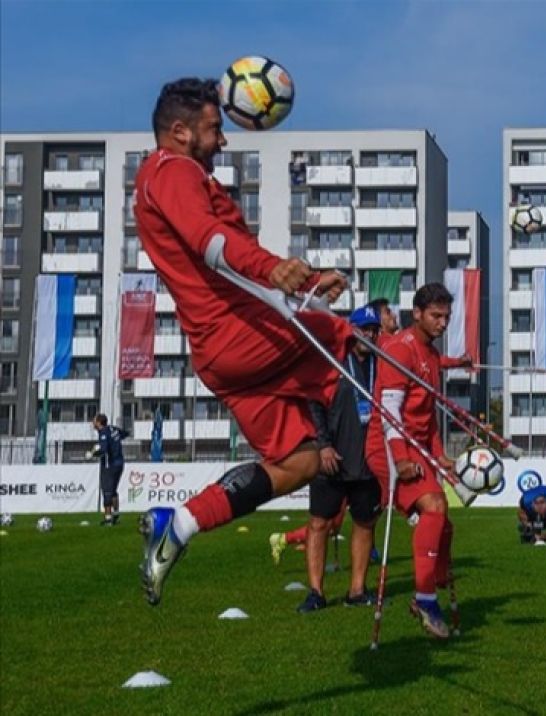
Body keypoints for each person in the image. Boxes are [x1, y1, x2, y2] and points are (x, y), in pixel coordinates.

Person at [132, 78, 350, 606]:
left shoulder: (166, 177)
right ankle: (384, 473)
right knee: (344, 336)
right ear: (179, 132)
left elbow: (234, 257)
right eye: (214, 129)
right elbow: (211, 243)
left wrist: (307, 279)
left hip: (227, 351)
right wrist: (275, 268)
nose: (223, 141)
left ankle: (178, 524)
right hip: (237, 336)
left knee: (300, 463)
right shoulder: (173, 170)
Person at [365, 283, 460, 639]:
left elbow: (427, 415)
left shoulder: (432, 356)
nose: (442, 323)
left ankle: (429, 585)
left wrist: (440, 456)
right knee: (434, 505)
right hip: (387, 447)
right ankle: (425, 599)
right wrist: (402, 460)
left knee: (442, 522)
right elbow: (389, 412)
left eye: (447, 317)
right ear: (417, 313)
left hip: (416, 446)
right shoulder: (399, 349)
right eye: (436, 315)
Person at [292, 305, 385, 613]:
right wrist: (322, 445)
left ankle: (357, 590)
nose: (369, 334)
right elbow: (314, 405)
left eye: (373, 329)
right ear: (351, 330)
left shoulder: (381, 365)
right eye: (363, 328)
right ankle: (316, 592)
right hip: (332, 457)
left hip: (368, 459)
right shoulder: (331, 362)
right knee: (319, 524)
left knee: (364, 523)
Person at [91, 414, 129, 526]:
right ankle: (116, 514)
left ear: (98, 422)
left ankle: (108, 519)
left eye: (94, 421)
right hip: (120, 463)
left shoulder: (103, 433)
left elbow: (103, 450)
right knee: (113, 490)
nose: (93, 423)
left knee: (107, 490)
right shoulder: (113, 429)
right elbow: (125, 433)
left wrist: (93, 453)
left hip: (109, 465)